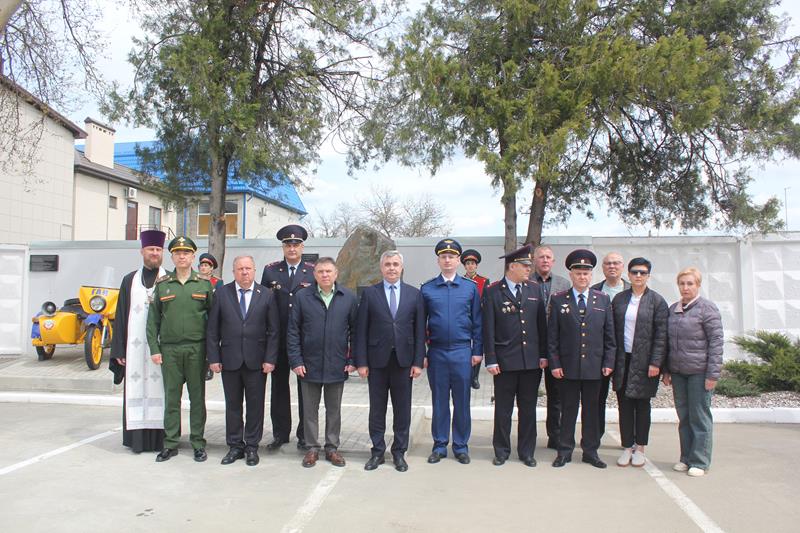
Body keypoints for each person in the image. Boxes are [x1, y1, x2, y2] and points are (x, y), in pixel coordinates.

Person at [355, 251, 426, 472]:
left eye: (395, 264)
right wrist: (361, 362)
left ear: (401, 268)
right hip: (376, 362)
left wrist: (418, 361)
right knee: (377, 409)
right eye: (388, 264)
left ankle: (399, 452)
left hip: (404, 362)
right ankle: (377, 452)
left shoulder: (414, 294)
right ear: (381, 268)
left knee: (402, 410)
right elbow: (361, 330)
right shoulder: (370, 294)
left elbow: (420, 331)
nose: (392, 268)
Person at [206, 255, 280, 466]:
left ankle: (252, 447)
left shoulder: (266, 295)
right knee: (233, 405)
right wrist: (213, 357)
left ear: (254, 271)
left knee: (255, 406)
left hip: (257, 361)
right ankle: (235, 446)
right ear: (234, 272)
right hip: (229, 360)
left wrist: (270, 359)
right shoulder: (222, 293)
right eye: (240, 269)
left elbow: (274, 330)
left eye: (248, 268)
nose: (244, 272)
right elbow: (212, 329)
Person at [146, 236, 214, 463]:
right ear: (172, 257)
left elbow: (213, 320)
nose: (182, 256)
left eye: (186, 253)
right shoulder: (163, 284)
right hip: (170, 351)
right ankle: (170, 443)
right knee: (172, 398)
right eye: (177, 253)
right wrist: (154, 349)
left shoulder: (204, 284)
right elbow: (152, 320)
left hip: (197, 350)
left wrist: (211, 352)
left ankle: (198, 443)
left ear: (193, 257)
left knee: (197, 399)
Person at [287, 257, 358, 468]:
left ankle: (332, 447)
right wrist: (296, 360)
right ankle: (311, 448)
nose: (325, 275)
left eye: (328, 271)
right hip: (308, 364)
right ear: (314, 274)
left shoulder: (348, 297)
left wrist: (353, 359)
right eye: (320, 271)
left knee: (333, 409)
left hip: (337, 363)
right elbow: (293, 331)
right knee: (309, 410)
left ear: (336, 274)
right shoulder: (302, 297)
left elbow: (356, 331)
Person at [548, 249, 615, 469]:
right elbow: (552, 337)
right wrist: (555, 364)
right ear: (571, 274)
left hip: (595, 367)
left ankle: (590, 451)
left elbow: (610, 336)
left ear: (591, 275)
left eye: (586, 273)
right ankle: (564, 451)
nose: (582, 277)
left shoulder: (602, 300)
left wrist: (608, 362)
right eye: (578, 273)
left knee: (592, 412)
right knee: (568, 410)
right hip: (568, 367)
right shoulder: (559, 300)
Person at [482, 244, 547, 467]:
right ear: (512, 266)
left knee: (528, 409)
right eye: (525, 265)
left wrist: (543, 355)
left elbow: (541, 325)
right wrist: (490, 358)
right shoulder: (493, 291)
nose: (529, 269)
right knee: (503, 409)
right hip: (504, 362)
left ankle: (527, 451)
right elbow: (488, 328)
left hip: (530, 361)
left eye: (530, 265)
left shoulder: (534, 289)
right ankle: (501, 450)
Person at [421, 239, 482, 465]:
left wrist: (477, 351)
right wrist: (422, 354)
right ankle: (439, 445)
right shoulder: (427, 288)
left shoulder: (469, 288)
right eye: (443, 256)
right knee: (439, 401)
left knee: (462, 401)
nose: (447, 260)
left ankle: (460, 446)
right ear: (438, 260)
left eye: (452, 256)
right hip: (436, 352)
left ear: (458, 261)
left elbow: (478, 322)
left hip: (461, 352)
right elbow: (420, 325)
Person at [109, 229, 168, 453]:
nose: (155, 253)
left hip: (160, 348)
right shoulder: (130, 280)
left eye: (158, 249)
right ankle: (136, 440)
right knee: (136, 387)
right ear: (142, 251)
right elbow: (121, 316)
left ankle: (163, 440)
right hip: (134, 349)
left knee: (162, 390)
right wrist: (119, 349)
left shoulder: (169, 278)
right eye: (151, 249)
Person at [663, 267, 723, 477]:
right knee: (684, 417)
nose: (685, 287)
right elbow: (667, 342)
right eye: (682, 283)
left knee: (699, 417)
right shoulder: (673, 309)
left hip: (699, 373)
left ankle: (699, 461)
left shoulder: (707, 309)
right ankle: (686, 458)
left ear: (698, 285)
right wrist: (667, 370)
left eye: (690, 283)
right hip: (679, 372)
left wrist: (712, 374)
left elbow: (716, 342)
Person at [260, 224, 315, 451]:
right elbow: (263, 303)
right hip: (279, 339)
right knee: (279, 389)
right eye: (288, 244)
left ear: (302, 247)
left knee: (306, 391)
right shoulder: (271, 271)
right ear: (283, 247)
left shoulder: (312, 271)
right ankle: (280, 434)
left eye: (296, 244)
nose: (292, 248)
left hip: (304, 341)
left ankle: (304, 435)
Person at [611, 257, 668, 467]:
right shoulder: (619, 299)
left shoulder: (657, 301)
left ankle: (640, 448)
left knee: (642, 405)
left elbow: (662, 335)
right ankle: (627, 447)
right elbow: (611, 331)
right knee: (624, 405)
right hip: (622, 360)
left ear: (648, 276)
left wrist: (656, 363)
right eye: (634, 272)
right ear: (628, 274)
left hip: (645, 362)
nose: (638, 276)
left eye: (642, 272)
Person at [531, 244, 570, 450]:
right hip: (532, 347)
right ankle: (528, 438)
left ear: (553, 261)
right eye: (541, 257)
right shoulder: (526, 282)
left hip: (557, 348)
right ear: (534, 260)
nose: (545, 260)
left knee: (557, 396)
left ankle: (555, 436)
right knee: (528, 396)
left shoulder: (564, 284)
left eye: (548, 257)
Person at [592, 251, 631, 440]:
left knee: (625, 398)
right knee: (597, 398)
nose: (612, 266)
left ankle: (628, 439)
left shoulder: (633, 289)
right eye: (608, 263)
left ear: (622, 266)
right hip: (601, 353)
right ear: (603, 267)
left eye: (616, 263)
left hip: (626, 352)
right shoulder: (594, 291)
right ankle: (594, 437)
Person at [461, 249, 489, 390]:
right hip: (464, 319)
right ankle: (466, 373)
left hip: (479, 317)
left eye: (472, 263)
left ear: (476, 265)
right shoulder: (460, 280)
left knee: (478, 346)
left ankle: (475, 376)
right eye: (468, 264)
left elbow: (486, 300)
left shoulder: (483, 281)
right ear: (464, 266)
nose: (470, 266)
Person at [198, 252, 222, 381]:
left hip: (211, 315)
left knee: (210, 341)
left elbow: (219, 299)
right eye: (201, 265)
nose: (203, 268)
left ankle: (208, 366)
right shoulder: (195, 280)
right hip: (198, 316)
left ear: (211, 268)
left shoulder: (217, 282)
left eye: (206, 265)